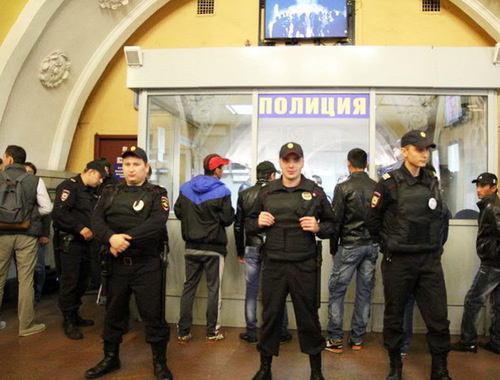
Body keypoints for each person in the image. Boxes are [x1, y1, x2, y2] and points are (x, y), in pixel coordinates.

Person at [366, 130, 451, 380]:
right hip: (399, 261)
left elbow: (440, 217)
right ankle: (395, 367)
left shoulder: (432, 179)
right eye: (418, 149)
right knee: (394, 317)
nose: (424, 154)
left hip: (428, 261)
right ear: (405, 151)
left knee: (438, 318)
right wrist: (388, 243)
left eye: (427, 149)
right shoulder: (389, 182)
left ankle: (440, 369)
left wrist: (436, 246)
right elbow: (372, 221)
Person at [247, 142, 336, 380]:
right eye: (286, 160)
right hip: (274, 264)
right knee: (270, 317)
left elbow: (333, 225)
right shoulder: (267, 192)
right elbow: (247, 224)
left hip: (304, 265)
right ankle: (265, 369)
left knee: (309, 319)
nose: (291, 165)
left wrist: (319, 227)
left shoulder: (315, 191)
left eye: (296, 160)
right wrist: (258, 222)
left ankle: (316, 372)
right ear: (280, 163)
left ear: (302, 162)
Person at [85, 146, 172, 380]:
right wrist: (110, 238)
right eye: (126, 165)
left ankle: (160, 362)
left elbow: (156, 222)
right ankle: (110, 357)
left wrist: (126, 240)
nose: (130, 169)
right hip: (116, 264)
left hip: (147, 265)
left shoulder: (156, 193)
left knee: (153, 315)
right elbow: (96, 219)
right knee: (113, 313)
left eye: (135, 164)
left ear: (146, 168)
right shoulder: (110, 190)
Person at [175, 153, 234, 343]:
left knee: (188, 288)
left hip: (191, 247)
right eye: (222, 168)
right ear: (216, 170)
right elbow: (227, 219)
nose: (223, 171)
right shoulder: (223, 191)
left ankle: (183, 331)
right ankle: (211, 331)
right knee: (213, 290)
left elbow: (178, 211)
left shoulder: (185, 188)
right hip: (214, 249)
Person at [326, 148, 378, 353]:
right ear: (366, 164)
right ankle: (357, 339)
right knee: (364, 292)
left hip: (349, 245)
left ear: (349, 163)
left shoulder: (343, 188)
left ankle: (336, 339)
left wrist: (332, 247)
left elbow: (335, 220)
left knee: (337, 291)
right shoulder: (376, 187)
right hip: (371, 245)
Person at [234, 160, 291, 344]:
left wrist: (240, 251)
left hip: (251, 246)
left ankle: (251, 331)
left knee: (251, 290)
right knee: (279, 288)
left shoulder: (244, 194)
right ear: (272, 175)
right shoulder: (276, 193)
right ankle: (281, 330)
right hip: (273, 248)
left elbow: (238, 226)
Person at [0, 145, 52, 336]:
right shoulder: (34, 180)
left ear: (10, 160)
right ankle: (26, 326)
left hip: (1, 234)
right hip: (27, 234)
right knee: (26, 280)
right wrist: (28, 215)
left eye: (4, 157)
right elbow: (47, 207)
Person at [52, 160, 106, 339]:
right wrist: (79, 228)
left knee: (83, 280)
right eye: (99, 177)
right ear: (90, 172)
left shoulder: (91, 192)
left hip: (87, 244)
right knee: (70, 281)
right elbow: (59, 214)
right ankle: (68, 319)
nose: (100, 182)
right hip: (71, 243)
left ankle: (75, 313)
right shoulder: (68, 187)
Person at [451, 172, 500, 355]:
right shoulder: (491, 205)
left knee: (473, 300)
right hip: (497, 262)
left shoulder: (492, 208)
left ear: (493, 188)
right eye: (477, 185)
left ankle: (468, 341)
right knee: (497, 303)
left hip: (492, 263)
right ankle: (497, 342)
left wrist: (492, 254)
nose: (478, 189)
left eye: (483, 186)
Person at [24, 162, 51, 305]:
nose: (28, 174)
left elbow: (47, 213)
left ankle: (37, 295)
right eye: (25, 171)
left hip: (38, 233)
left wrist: (45, 234)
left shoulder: (38, 187)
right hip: (22, 233)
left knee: (39, 267)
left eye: (30, 172)